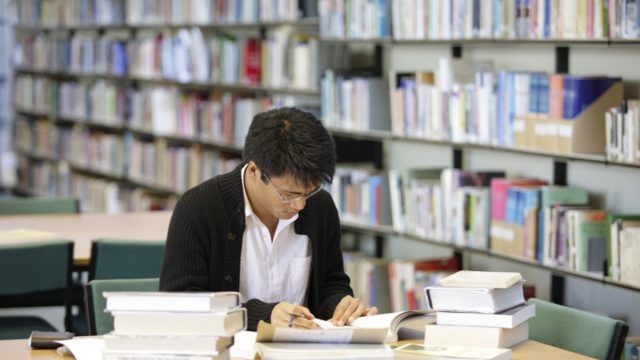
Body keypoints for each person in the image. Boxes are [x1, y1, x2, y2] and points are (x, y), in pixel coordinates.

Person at [160, 107, 377, 331]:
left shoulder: (320, 207)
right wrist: (263, 316)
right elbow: (181, 304)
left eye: (309, 192)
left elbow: (331, 283)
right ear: (254, 171)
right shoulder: (198, 209)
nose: (300, 205)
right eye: (289, 194)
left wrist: (341, 306)